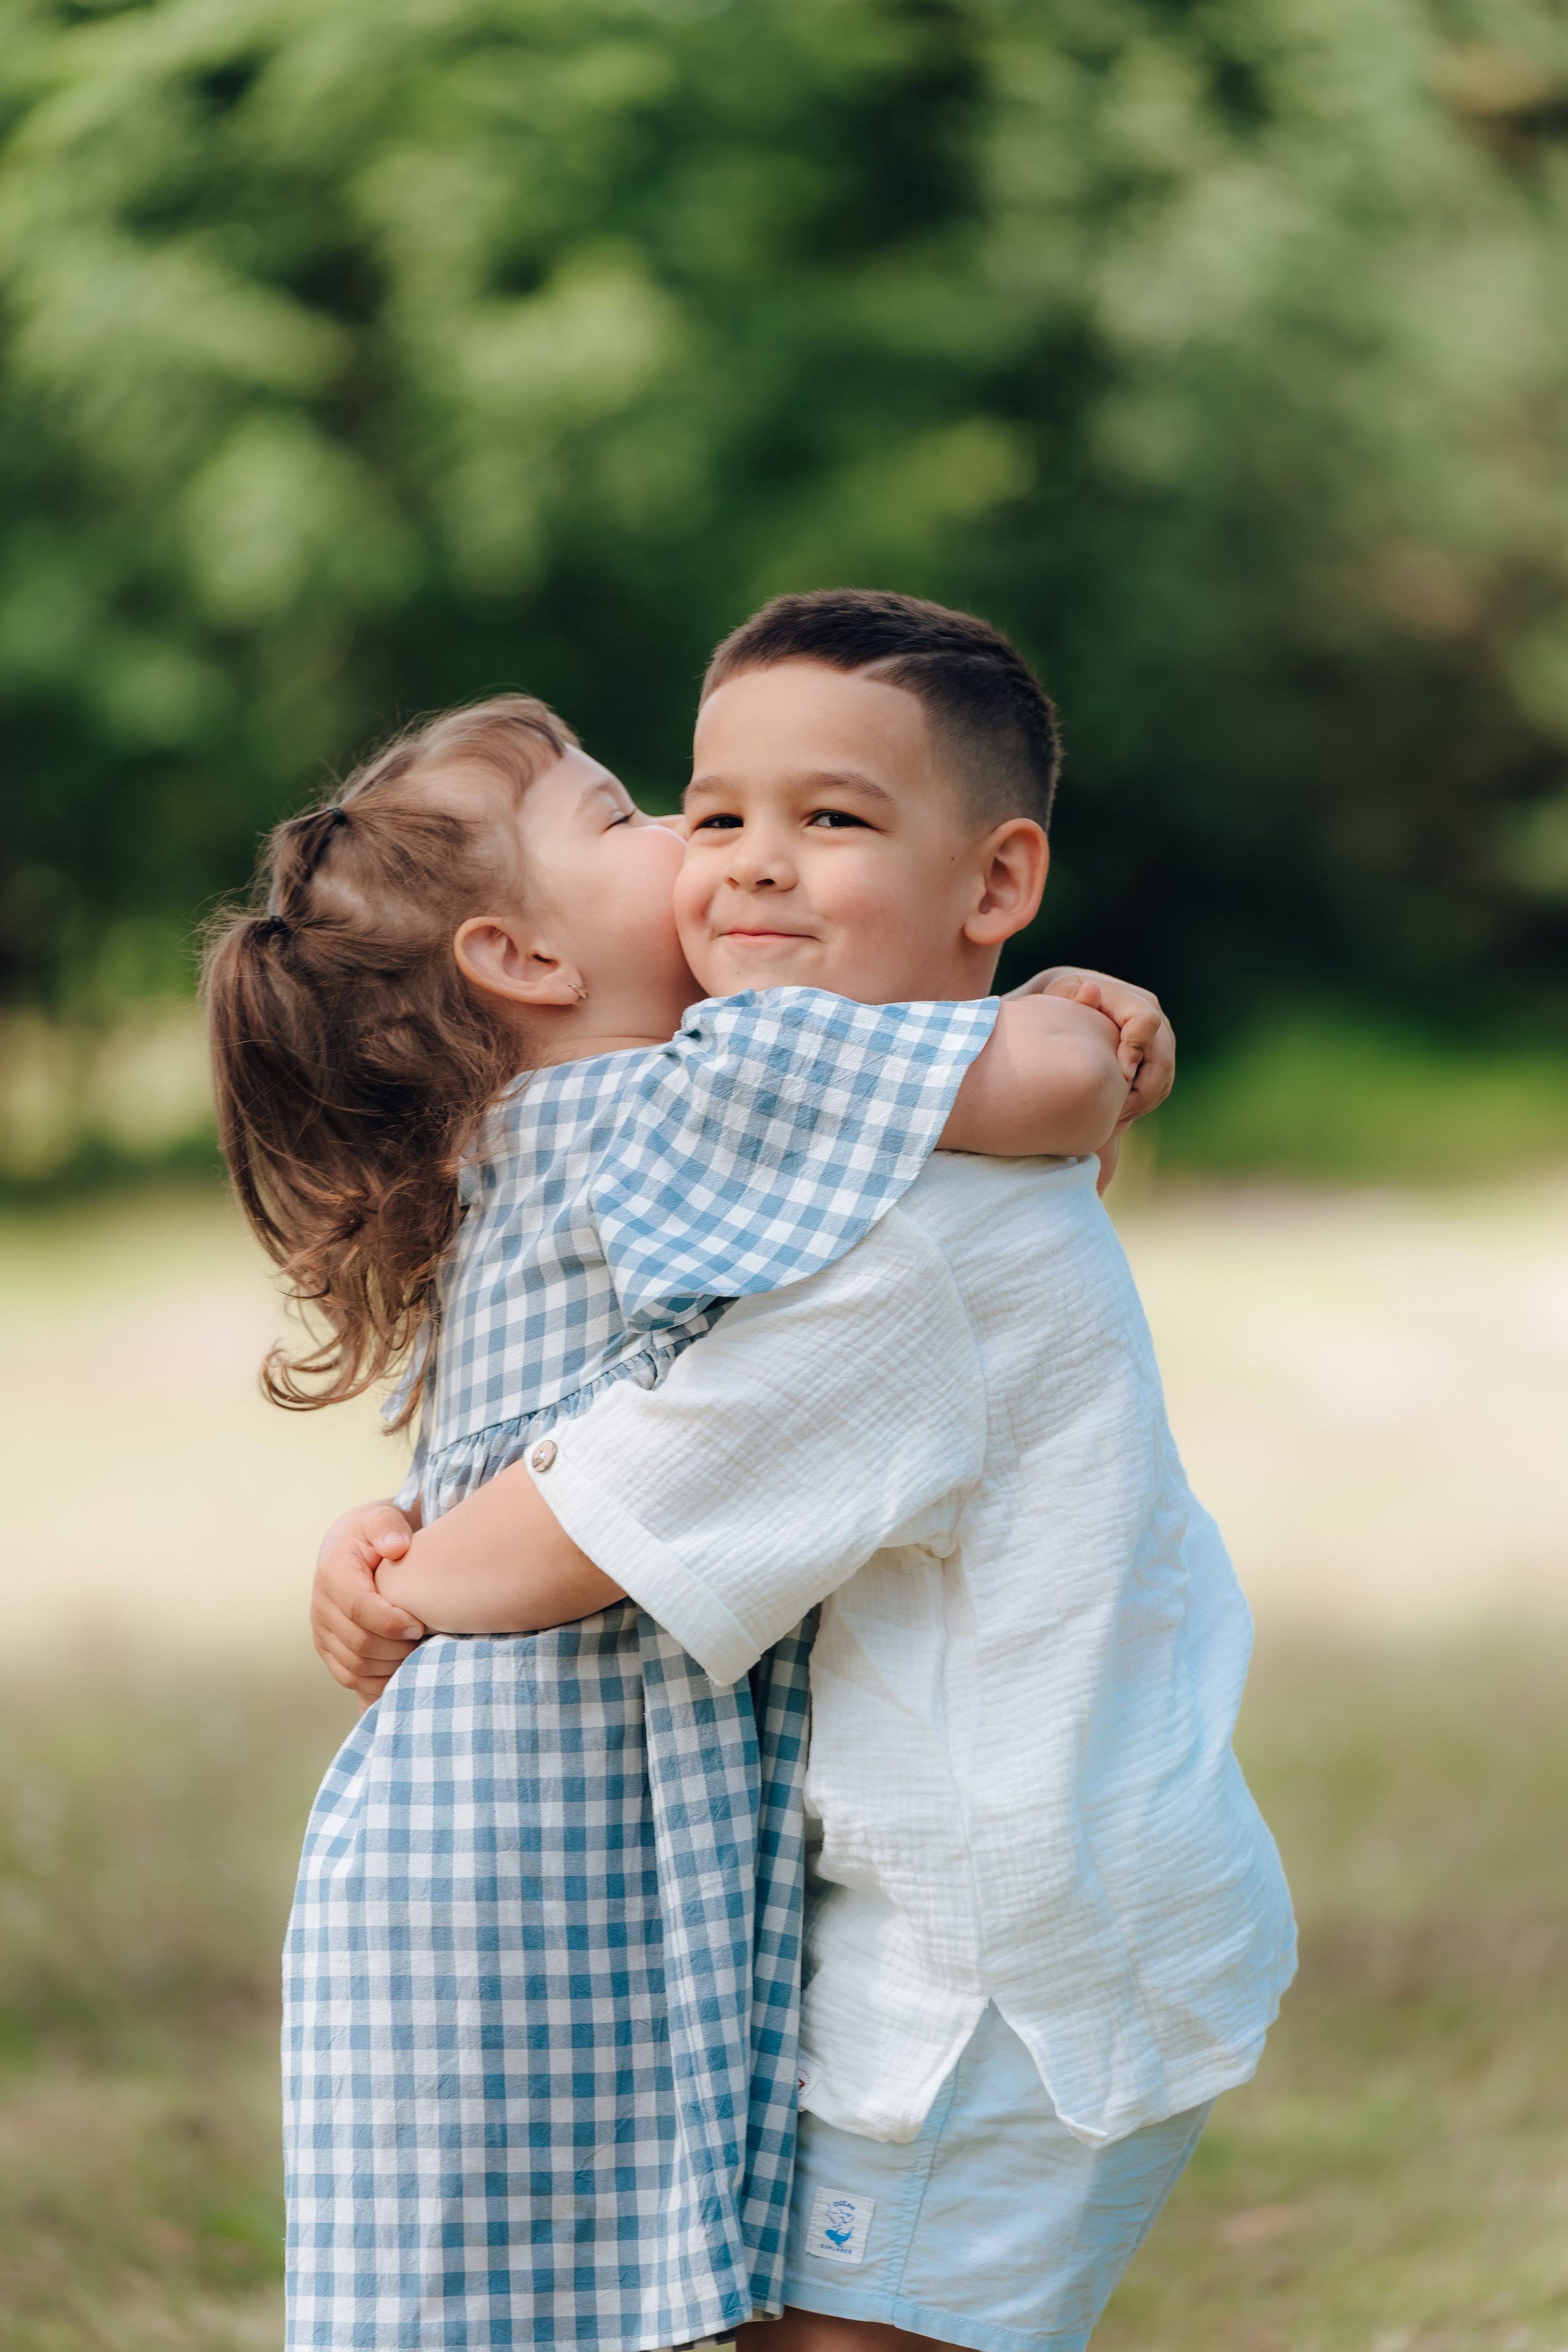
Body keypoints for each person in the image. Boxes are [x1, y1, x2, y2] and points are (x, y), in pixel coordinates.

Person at [320, 590, 1297, 2352]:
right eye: (712, 815)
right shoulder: (865, 1178)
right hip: (971, 1913)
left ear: (995, 884)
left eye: (833, 818)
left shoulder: (894, 1256)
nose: (756, 863)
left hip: (992, 1967)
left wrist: (400, 1582)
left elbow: (600, 1516)